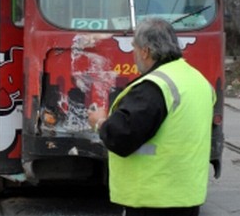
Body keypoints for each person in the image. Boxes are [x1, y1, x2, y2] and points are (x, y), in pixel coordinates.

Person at [88, 17, 215, 216]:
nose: (134, 54)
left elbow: (121, 137)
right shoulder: (198, 80)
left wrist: (99, 122)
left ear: (145, 51)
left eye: (134, 48)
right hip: (188, 196)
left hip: (153, 199)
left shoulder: (154, 87)